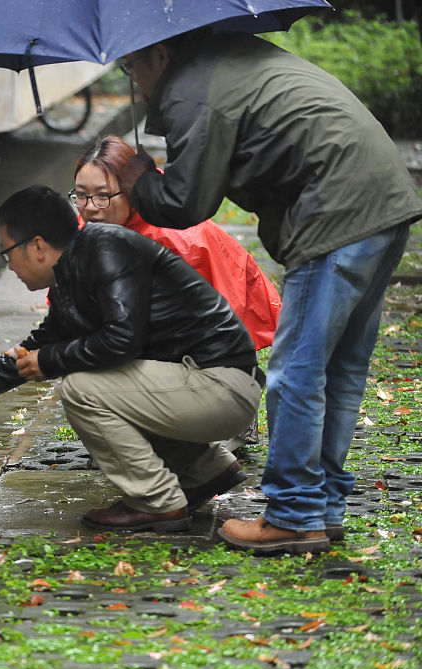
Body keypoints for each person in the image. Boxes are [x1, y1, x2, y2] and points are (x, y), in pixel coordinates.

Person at [116, 30, 422, 554]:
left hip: (336, 212)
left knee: (297, 371)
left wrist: (139, 178)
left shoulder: (192, 88)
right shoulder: (228, 56)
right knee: (339, 369)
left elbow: (187, 202)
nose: (135, 82)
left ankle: (294, 515)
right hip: (384, 201)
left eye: (132, 68)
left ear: (161, 54)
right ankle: (320, 508)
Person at [0, 186, 264, 536]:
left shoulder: (106, 250)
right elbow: (33, 352)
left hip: (221, 386)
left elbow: (122, 338)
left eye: (7, 253)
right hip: (204, 384)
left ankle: (157, 501)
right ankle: (206, 470)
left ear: (37, 246)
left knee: (82, 387)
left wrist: (50, 360)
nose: (9, 266)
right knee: (97, 377)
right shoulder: (75, 269)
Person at [72, 134, 280, 351]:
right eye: (81, 195)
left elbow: (188, 332)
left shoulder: (175, 242)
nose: (90, 208)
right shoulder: (93, 222)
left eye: (103, 196)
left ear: (131, 191)